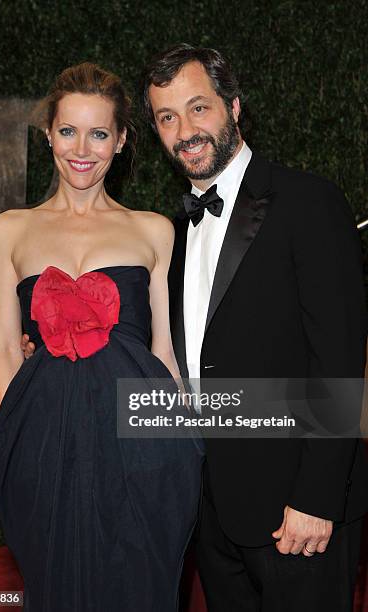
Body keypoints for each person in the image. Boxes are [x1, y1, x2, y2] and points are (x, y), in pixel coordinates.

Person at [141, 45, 368, 611]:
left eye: (199, 108)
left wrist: (317, 497)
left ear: (234, 107)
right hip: (213, 510)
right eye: (167, 117)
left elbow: (339, 357)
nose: (185, 130)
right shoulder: (172, 232)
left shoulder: (308, 202)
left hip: (299, 510)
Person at [0, 61, 203, 612]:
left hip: (140, 445)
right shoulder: (9, 230)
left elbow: (162, 352)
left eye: (99, 132)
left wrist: (184, 446)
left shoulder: (153, 229)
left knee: (139, 586)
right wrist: (19, 443)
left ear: (122, 140)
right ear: (49, 135)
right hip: (44, 445)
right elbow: (6, 345)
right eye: (67, 130)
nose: (82, 148)